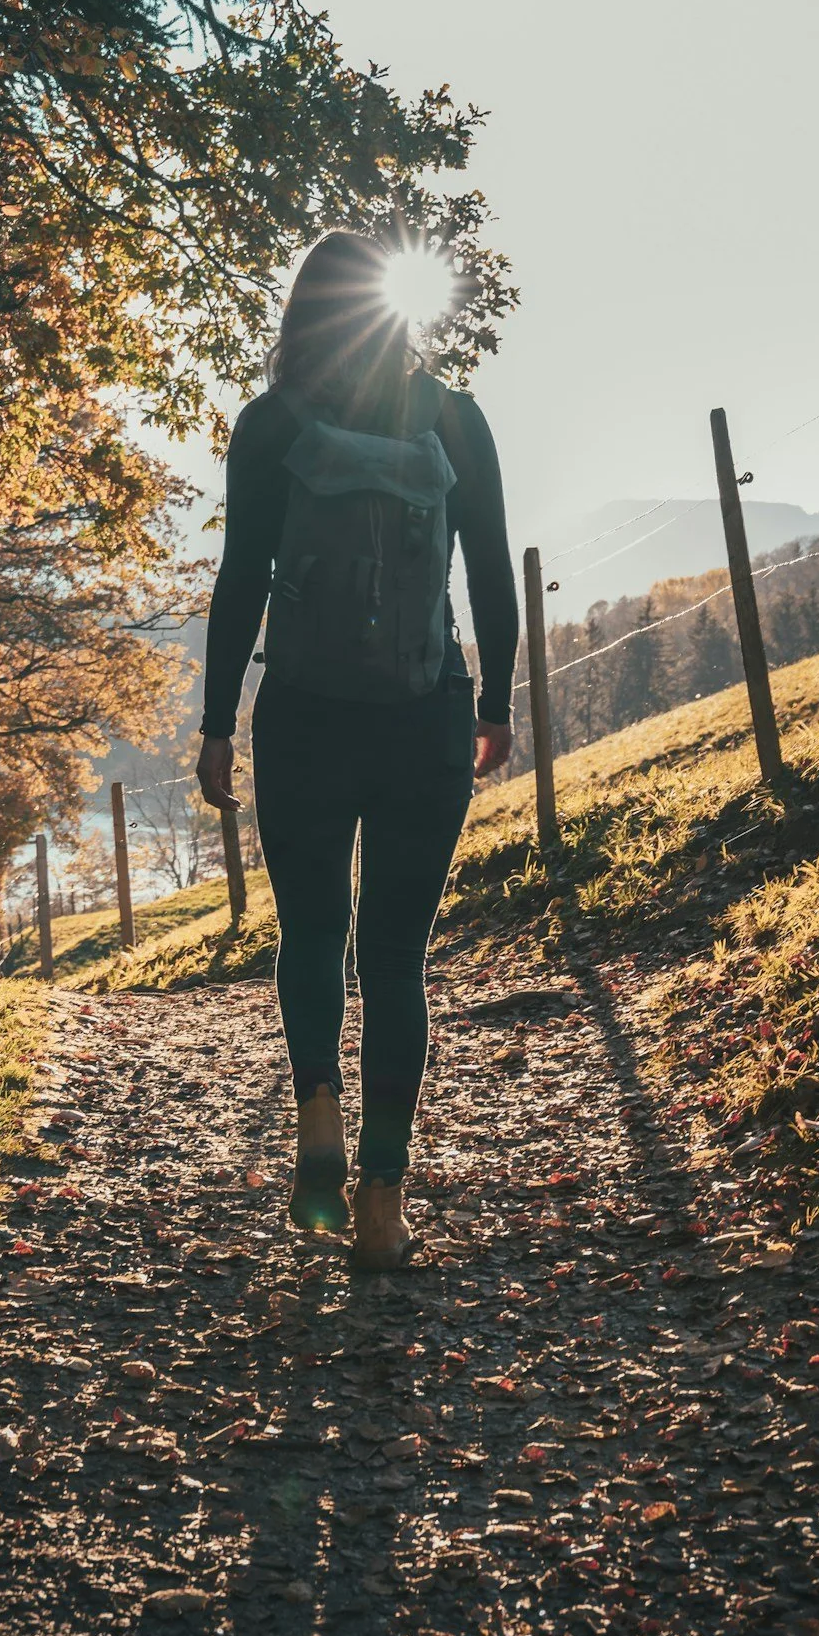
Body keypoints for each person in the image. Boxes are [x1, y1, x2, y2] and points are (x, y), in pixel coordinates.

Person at [196, 230, 519, 1268]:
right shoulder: (455, 420)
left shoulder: (271, 425)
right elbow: (491, 578)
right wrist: (494, 702)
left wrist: (214, 725)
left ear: (306, 316)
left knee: (310, 938)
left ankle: (318, 1113)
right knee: (395, 958)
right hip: (424, 715)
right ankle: (381, 1197)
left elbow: (240, 580)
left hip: (301, 715)